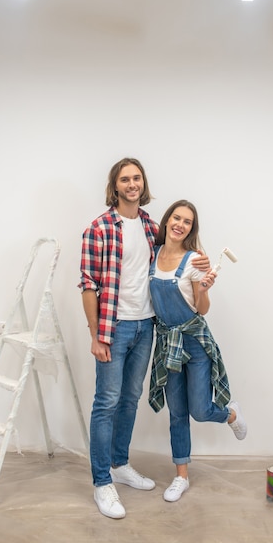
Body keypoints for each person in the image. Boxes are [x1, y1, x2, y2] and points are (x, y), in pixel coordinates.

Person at [78, 159, 209, 519]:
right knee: (106, 402)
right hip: (113, 328)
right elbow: (89, 286)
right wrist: (95, 335)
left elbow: (178, 256)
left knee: (130, 399)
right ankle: (102, 482)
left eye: (137, 178)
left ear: (143, 183)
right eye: (125, 179)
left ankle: (120, 464)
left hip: (146, 326)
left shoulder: (153, 226)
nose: (132, 184)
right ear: (115, 186)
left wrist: (202, 266)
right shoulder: (99, 229)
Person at [148, 199, 247, 503]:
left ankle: (230, 414)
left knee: (200, 410)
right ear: (167, 221)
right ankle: (181, 478)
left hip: (194, 340)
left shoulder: (194, 260)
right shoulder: (153, 254)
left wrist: (203, 289)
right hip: (168, 342)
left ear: (192, 228)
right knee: (177, 413)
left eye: (187, 222)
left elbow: (201, 309)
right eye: (176, 218)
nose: (180, 224)